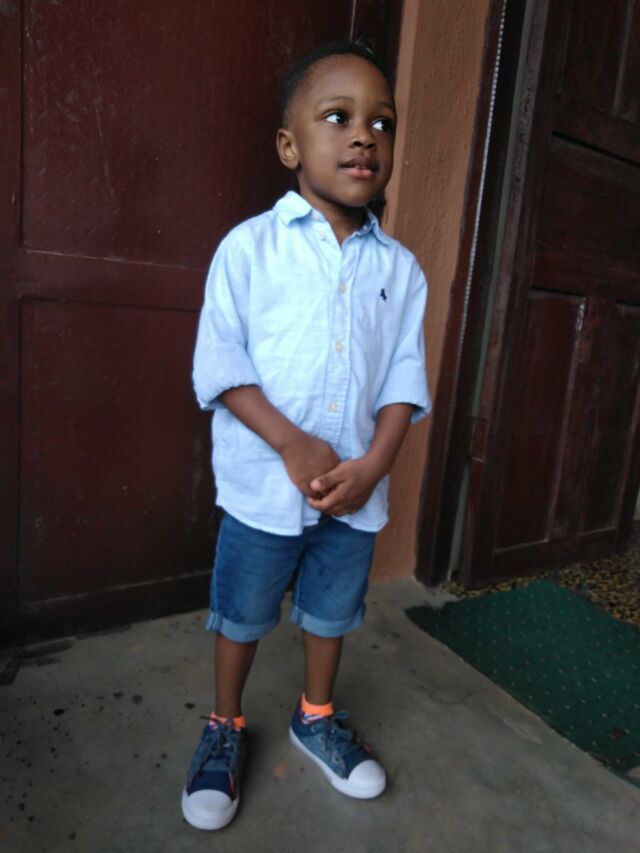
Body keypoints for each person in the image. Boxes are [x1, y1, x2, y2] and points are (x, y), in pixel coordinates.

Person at [182, 41, 431, 831]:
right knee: (242, 613)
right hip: (264, 489)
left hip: (353, 496)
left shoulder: (401, 270)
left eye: (382, 123)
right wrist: (291, 443)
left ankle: (314, 715)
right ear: (290, 146)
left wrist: (375, 465)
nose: (364, 136)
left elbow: (402, 380)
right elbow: (220, 364)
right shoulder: (249, 248)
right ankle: (225, 722)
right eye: (339, 117)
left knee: (331, 613)